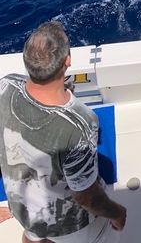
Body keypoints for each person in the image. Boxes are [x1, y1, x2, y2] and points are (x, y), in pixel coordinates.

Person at [0, 22, 127, 243]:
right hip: (70, 227)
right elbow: (86, 197)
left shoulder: (5, 85)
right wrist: (118, 213)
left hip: (23, 210)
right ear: (67, 60)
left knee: (33, 238)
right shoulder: (80, 123)